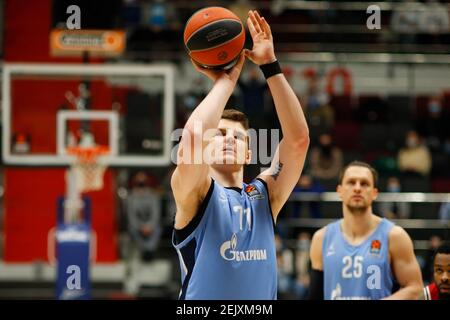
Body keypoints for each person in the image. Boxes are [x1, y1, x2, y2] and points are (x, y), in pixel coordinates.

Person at [171, 10, 309, 300]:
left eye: (238, 137)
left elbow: (297, 141)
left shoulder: (263, 197)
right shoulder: (195, 195)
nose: (229, 140)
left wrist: (270, 65)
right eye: (219, 134)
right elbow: (193, 137)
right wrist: (227, 80)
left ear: (249, 152)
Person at [309, 161, 423, 300]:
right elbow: (315, 295)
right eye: (351, 182)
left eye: (364, 183)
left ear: (374, 193)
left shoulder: (394, 235)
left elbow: (415, 288)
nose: (357, 188)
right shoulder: (321, 238)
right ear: (339, 191)